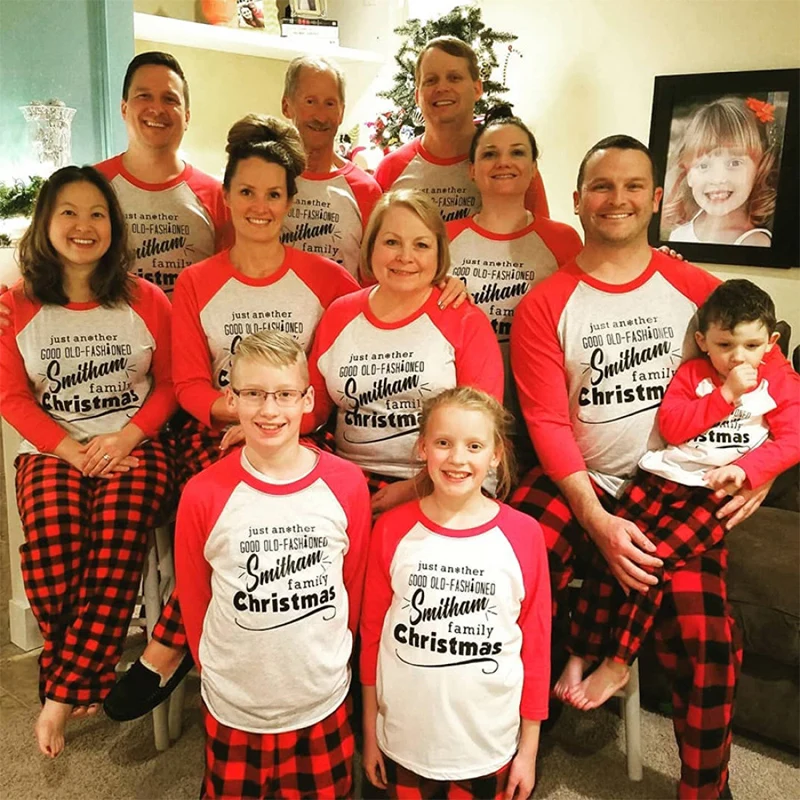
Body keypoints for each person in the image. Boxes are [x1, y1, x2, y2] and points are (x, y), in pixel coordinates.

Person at [509, 134, 783, 798]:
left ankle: (703, 789)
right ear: (576, 201)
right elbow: (547, 421)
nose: (618, 199)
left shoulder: (698, 290)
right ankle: (498, 747)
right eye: (602, 186)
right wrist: (597, 521)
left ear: (657, 199)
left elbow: (774, 382)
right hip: (582, 483)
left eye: (634, 185)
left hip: (680, 491)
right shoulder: (545, 304)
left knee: (706, 637)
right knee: (504, 567)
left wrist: (765, 471)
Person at [103, 113, 360, 722]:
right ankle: (189, 644)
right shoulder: (195, 282)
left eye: (274, 194)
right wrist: (246, 415)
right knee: (222, 504)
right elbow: (189, 382)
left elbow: (329, 377)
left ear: (292, 202)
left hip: (305, 432)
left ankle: (172, 647)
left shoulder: (330, 281)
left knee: (284, 507)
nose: (260, 205)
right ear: (227, 199)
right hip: (216, 432)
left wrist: (280, 419)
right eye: (246, 191)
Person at [0, 166, 174, 757]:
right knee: (53, 536)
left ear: (114, 225)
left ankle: (60, 689)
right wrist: (65, 448)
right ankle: (89, 676)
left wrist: (127, 437)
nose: (83, 225)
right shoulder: (16, 305)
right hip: (54, 449)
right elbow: (11, 396)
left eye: (97, 213)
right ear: (46, 223)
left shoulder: (146, 298)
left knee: (117, 535)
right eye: (69, 212)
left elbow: (171, 386)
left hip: (134, 445)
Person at [562, 279, 800, 711]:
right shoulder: (694, 374)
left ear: (772, 342)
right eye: (725, 344)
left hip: (710, 495)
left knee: (650, 564)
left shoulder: (778, 382)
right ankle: (579, 652)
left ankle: (617, 662)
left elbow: (793, 439)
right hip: (658, 478)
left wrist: (747, 471)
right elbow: (672, 427)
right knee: (610, 553)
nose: (738, 357)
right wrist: (726, 396)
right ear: (702, 341)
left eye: (752, 344)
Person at [176, 330, 370, 799]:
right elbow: (195, 595)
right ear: (231, 399)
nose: (269, 410)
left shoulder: (346, 484)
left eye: (284, 395)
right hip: (236, 705)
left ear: (307, 401)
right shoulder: (203, 492)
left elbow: (354, 584)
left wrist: (333, 660)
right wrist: (214, 669)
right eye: (254, 394)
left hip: (320, 698)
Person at [360, 386, 550, 799]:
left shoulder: (523, 535)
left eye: (474, 445)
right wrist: (369, 732)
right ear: (422, 448)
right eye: (443, 443)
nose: (457, 458)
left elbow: (535, 649)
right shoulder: (391, 529)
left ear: (495, 454)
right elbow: (372, 638)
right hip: (403, 741)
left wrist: (529, 750)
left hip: (486, 746)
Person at [304, 188, 504, 514]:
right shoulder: (340, 314)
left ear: (439, 254)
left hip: (448, 478)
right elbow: (315, 410)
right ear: (371, 247)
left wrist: (418, 486)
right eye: (392, 242)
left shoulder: (465, 318)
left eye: (421, 245)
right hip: (351, 476)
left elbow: (480, 428)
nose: (405, 256)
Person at [447, 105, 582, 467]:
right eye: (490, 154)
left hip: (537, 420)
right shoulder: (442, 239)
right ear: (472, 170)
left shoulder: (564, 240)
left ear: (534, 168)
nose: (503, 162)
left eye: (517, 152)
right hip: (460, 424)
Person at [374, 36, 549, 223]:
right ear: (417, 96)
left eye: (454, 78)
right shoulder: (391, 170)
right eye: (431, 80)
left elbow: (539, 241)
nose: (442, 87)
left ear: (477, 88)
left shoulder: (510, 166)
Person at [95, 51, 229, 294]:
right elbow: (50, 268)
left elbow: (232, 283)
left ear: (187, 116)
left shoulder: (217, 196)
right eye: (144, 96)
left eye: (170, 99)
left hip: (189, 332)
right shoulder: (90, 187)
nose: (157, 108)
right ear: (124, 108)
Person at [280, 56, 382, 280]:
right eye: (310, 101)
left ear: (341, 112)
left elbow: (373, 279)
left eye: (330, 103)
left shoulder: (366, 190)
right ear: (287, 106)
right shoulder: (267, 181)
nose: (320, 116)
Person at [665, 96, 776, 247]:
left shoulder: (755, 243)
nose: (718, 179)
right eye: (703, 166)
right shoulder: (681, 231)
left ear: (759, 168)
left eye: (734, 163)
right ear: (688, 174)